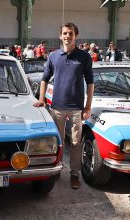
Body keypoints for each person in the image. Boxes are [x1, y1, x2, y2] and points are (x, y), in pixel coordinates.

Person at [33, 22, 94, 190]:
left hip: (77, 108)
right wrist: (41, 99)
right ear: (60, 36)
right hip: (57, 107)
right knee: (58, 142)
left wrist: (88, 107)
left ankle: (75, 174)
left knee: (75, 143)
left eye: (71, 33)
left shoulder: (84, 57)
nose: (68, 36)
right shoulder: (53, 57)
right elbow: (45, 78)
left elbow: (90, 83)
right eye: (65, 33)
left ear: (76, 36)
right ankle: (57, 169)